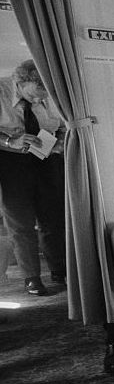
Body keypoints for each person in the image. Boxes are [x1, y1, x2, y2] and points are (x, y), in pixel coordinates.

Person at [0, 60, 67, 296]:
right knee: (20, 223)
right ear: (21, 82)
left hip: (46, 157)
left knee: (54, 219)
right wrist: (10, 141)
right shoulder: (1, 91)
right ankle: (32, 278)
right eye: (37, 94)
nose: (41, 100)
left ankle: (60, 270)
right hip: (11, 163)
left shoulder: (49, 95)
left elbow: (61, 125)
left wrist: (59, 140)